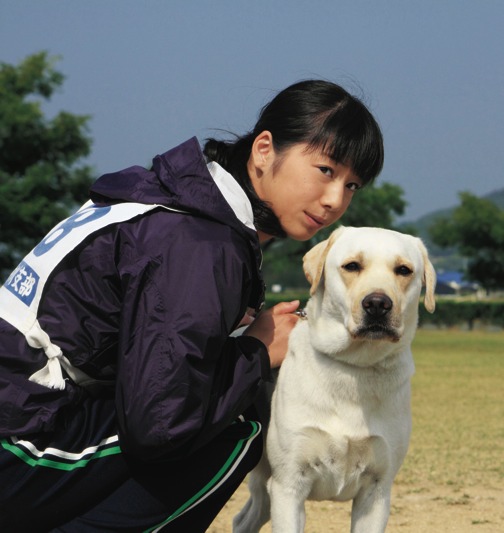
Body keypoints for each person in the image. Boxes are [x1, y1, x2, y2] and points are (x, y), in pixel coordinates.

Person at [0, 79, 384, 531]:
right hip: (18, 442)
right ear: (264, 150)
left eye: (352, 184)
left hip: (25, 418)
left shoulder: (175, 204)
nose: (336, 199)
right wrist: (257, 352)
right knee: (239, 427)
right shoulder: (200, 242)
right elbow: (159, 425)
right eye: (325, 170)